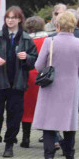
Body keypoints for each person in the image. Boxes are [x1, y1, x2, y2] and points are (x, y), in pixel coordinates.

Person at [34, 10, 79, 159]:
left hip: (51, 86)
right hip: (71, 86)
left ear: (57, 25)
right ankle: (70, 156)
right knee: (69, 122)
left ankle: (49, 158)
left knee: (49, 123)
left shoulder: (49, 42)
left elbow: (38, 65)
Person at [0, 6, 38, 157]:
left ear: (20, 19)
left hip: (17, 84)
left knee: (14, 116)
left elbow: (35, 59)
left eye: (13, 17)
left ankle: (9, 145)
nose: (10, 20)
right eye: (8, 17)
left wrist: (27, 58)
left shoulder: (27, 39)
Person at [20, 15, 48, 148]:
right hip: (43, 77)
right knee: (44, 107)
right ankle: (47, 136)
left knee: (27, 109)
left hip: (28, 77)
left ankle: (26, 138)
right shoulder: (47, 40)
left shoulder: (24, 40)